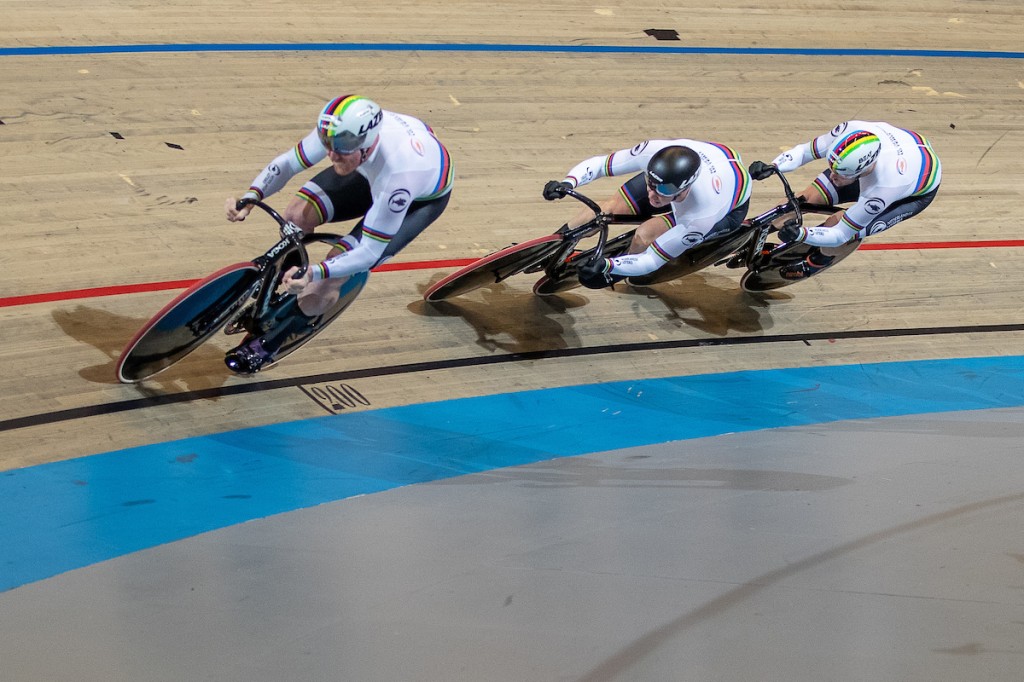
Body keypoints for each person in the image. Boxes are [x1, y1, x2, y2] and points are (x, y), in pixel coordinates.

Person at [223, 94, 454, 372]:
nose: (331, 155)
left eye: (340, 148)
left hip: (418, 199)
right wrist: (252, 195)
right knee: (296, 215)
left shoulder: (399, 179)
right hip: (372, 169)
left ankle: (273, 340)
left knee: (331, 274)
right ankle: (280, 287)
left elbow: (368, 252)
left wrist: (316, 272)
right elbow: (288, 163)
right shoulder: (340, 133)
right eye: (327, 144)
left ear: (366, 144)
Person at [542, 139, 751, 289]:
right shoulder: (652, 151)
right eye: (650, 184)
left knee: (644, 235)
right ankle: (550, 247)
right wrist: (569, 181)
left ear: (685, 187)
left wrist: (609, 266)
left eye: (664, 191)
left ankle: (617, 273)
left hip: (729, 208)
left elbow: (651, 260)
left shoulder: (703, 212)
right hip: (715, 156)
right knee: (606, 209)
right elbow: (600, 165)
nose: (653, 195)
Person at [770, 120, 941, 279]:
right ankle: (758, 229)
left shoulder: (884, 189)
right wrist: (773, 167)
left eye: (840, 174)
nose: (833, 177)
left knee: (837, 224)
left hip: (912, 193)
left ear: (861, 171)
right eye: (832, 169)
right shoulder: (848, 131)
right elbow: (803, 152)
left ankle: (817, 261)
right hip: (899, 150)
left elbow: (840, 234)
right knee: (804, 199)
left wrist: (801, 234)